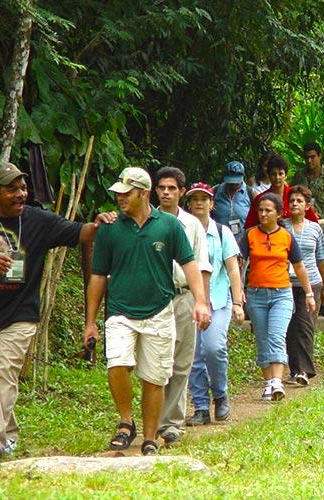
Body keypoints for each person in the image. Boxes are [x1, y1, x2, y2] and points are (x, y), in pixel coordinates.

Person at [0, 162, 116, 461]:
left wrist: (99, 224)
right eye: (12, 189)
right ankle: (8, 434)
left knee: (4, 372)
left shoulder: (38, 220)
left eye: (23, 188)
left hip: (21, 313)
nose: (20, 194)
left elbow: (82, 233)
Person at [84, 167, 211, 457]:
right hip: (120, 311)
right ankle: (126, 421)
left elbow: (190, 264)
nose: (119, 198)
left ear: (143, 193)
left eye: (126, 193)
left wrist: (201, 301)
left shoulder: (168, 225)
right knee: (117, 363)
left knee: (154, 378)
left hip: (159, 311)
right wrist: (90, 321)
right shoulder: (110, 228)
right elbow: (98, 276)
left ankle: (150, 437)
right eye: (117, 193)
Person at [152, 167, 213, 445]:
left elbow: (202, 266)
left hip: (184, 295)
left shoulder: (193, 225)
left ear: (181, 192)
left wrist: (203, 303)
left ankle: (172, 423)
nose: (166, 192)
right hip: (154, 298)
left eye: (172, 188)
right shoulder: (145, 220)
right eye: (161, 188)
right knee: (154, 361)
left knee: (181, 362)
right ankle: (151, 420)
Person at [238, 193, 315, 401]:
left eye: (268, 210)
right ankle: (268, 383)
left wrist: (309, 294)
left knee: (276, 336)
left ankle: (277, 382)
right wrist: (237, 294)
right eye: (260, 210)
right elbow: (238, 264)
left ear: (279, 213)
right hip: (256, 294)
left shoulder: (286, 236)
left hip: (282, 293)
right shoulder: (249, 235)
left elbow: (299, 267)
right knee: (262, 339)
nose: (263, 214)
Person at [184, 182, 245, 426]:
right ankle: (200, 406)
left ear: (212, 203)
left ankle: (220, 394)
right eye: (194, 198)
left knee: (213, 348)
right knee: (193, 356)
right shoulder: (182, 230)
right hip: (189, 301)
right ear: (188, 203)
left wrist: (238, 302)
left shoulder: (222, 232)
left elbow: (232, 268)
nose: (199, 202)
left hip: (218, 300)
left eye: (204, 198)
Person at [291, 142, 324, 316]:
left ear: (320, 156)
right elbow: (290, 196)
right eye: (306, 157)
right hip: (300, 223)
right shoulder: (300, 176)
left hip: (323, 225)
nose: (309, 161)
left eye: (313, 157)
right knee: (300, 259)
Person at [281, 186, 324, 385]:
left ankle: (305, 371)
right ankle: (294, 370)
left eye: (299, 201)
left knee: (305, 324)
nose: (294, 204)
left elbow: (322, 258)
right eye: (292, 201)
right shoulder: (281, 227)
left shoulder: (315, 228)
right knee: (290, 327)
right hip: (286, 283)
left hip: (311, 283)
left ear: (307, 205)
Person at [244, 152, 292, 229]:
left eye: (280, 174)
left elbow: (312, 220)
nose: (277, 177)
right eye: (274, 174)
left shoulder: (295, 196)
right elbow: (249, 227)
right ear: (268, 175)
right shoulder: (260, 199)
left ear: (285, 176)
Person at [212, 160, 251, 241]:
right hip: (219, 240)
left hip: (243, 241)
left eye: (236, 182)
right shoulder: (215, 191)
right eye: (230, 182)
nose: (233, 184)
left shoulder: (250, 193)